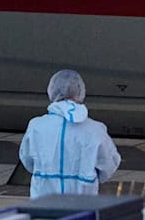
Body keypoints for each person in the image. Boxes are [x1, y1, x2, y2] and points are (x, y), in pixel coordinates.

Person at [19, 70, 121, 198]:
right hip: (83, 204)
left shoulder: (36, 126)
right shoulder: (95, 129)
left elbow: (27, 160)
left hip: (43, 204)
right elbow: (109, 164)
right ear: (81, 91)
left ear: (52, 91)